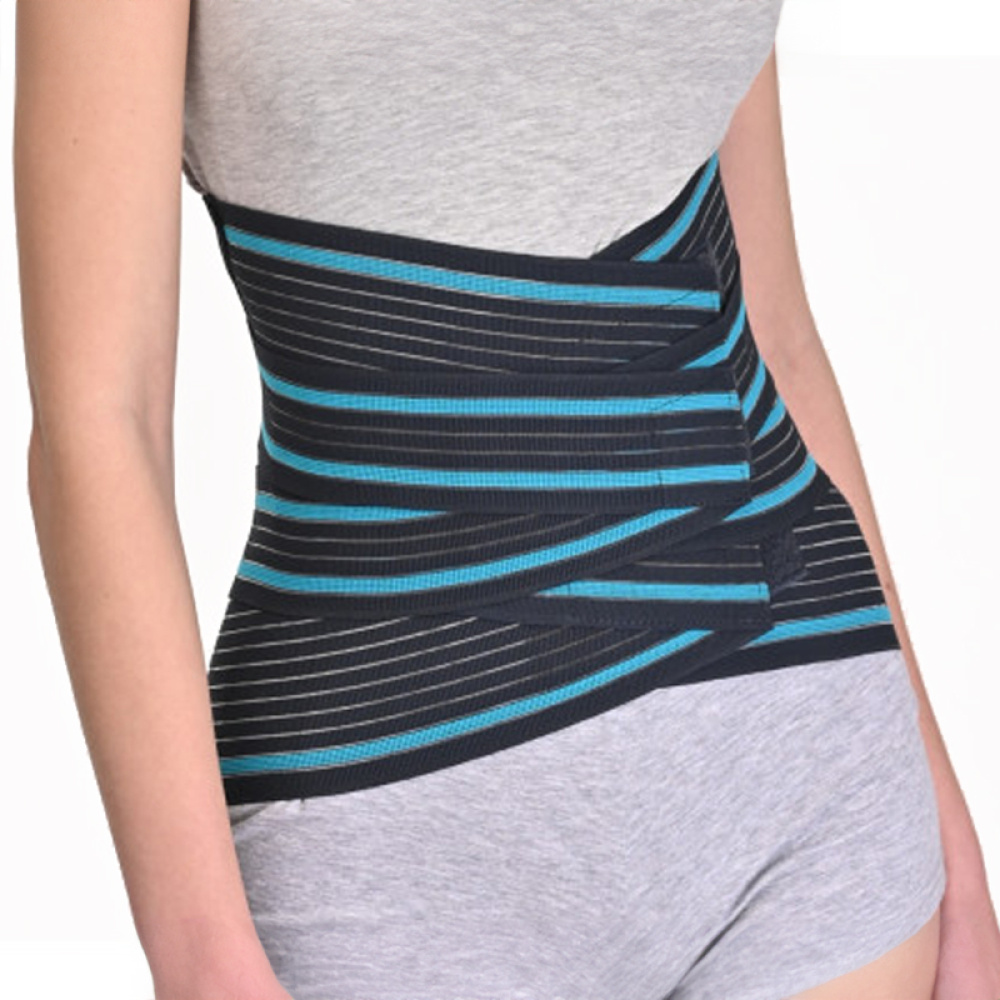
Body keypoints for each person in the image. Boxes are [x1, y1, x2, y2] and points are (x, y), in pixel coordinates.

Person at [13, 2, 1000, 998]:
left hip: (813, 780)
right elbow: (101, 420)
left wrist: (942, 824)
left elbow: (769, 324)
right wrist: (201, 959)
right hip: (392, 807)